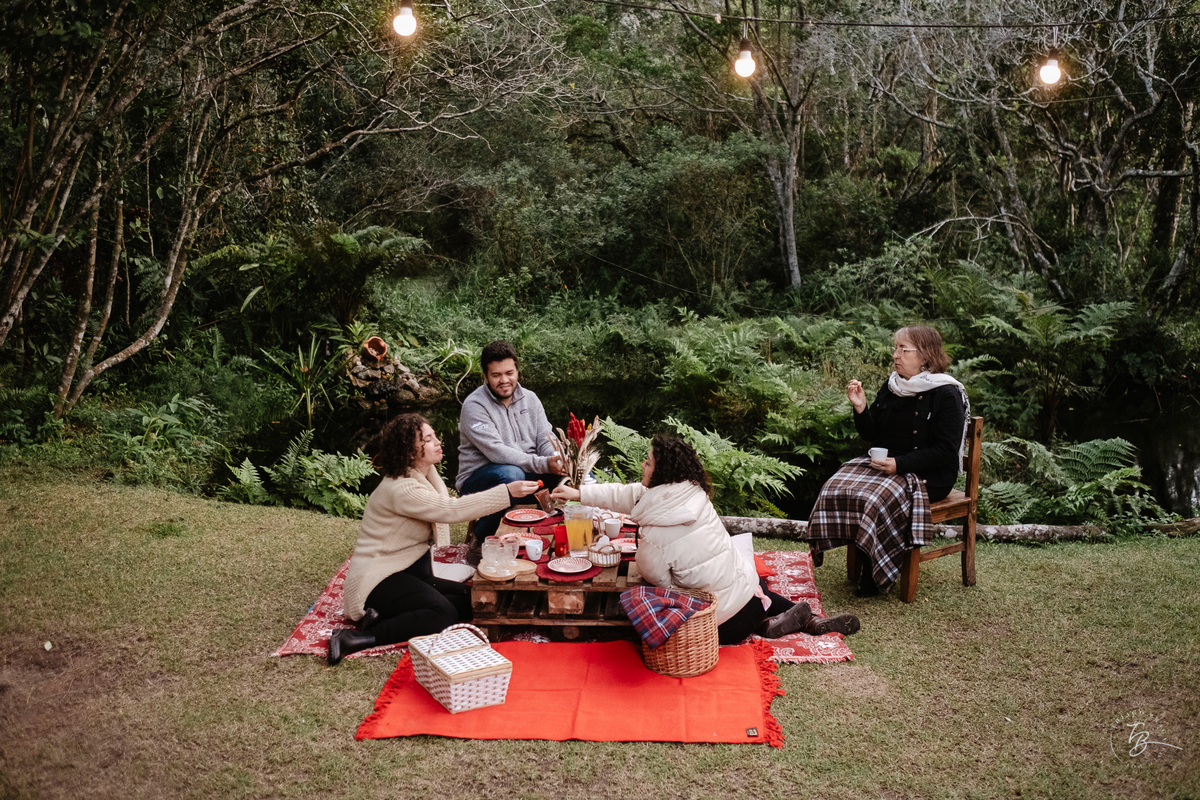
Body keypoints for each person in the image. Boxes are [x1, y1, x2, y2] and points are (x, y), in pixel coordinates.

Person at [552, 434, 859, 644]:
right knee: (740, 579)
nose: (643, 465)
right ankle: (805, 620)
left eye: (648, 462)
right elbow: (626, 494)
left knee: (656, 595)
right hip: (749, 590)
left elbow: (660, 583)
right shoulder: (690, 492)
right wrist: (579, 492)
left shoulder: (654, 536)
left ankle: (767, 625)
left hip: (722, 624)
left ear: (661, 473)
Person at [328, 413, 540, 665]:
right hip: (380, 577)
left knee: (475, 600)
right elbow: (451, 510)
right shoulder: (403, 488)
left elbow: (446, 506)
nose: (438, 442)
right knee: (443, 613)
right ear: (410, 451)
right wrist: (506, 492)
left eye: (434, 436)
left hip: (410, 570)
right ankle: (356, 638)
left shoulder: (424, 474)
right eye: (428, 439)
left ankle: (383, 617)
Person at [806, 325, 969, 596]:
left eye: (903, 349)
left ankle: (875, 571)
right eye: (896, 348)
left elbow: (945, 451)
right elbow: (872, 434)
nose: (895, 355)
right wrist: (861, 407)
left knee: (876, 498)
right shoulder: (893, 386)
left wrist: (899, 465)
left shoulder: (946, 393)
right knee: (835, 485)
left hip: (929, 475)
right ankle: (854, 551)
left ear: (925, 356)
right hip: (888, 467)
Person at [456, 340, 567, 555]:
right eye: (496, 375)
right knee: (511, 474)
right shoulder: (474, 405)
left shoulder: (531, 399)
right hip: (482, 480)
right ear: (485, 376)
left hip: (525, 474)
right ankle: (481, 539)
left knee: (574, 471)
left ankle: (568, 536)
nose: (504, 380)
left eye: (509, 373)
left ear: (517, 371)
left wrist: (556, 458)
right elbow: (497, 452)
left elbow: (545, 438)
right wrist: (544, 464)